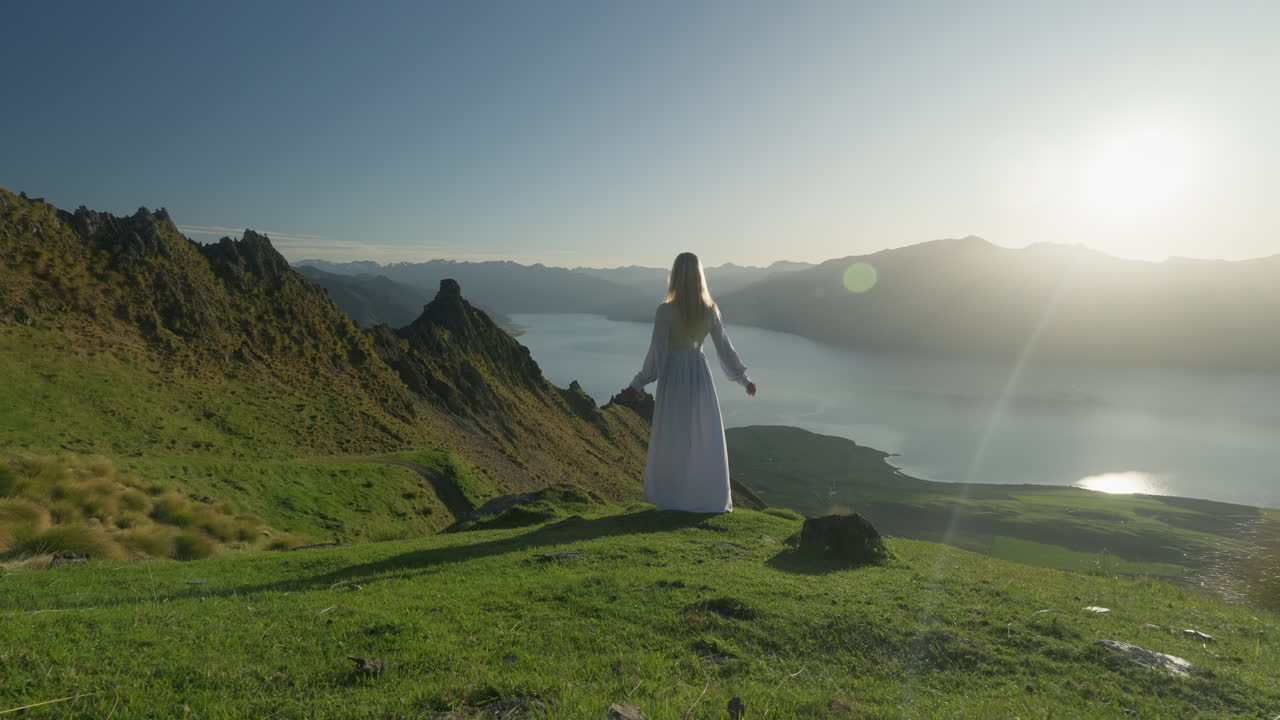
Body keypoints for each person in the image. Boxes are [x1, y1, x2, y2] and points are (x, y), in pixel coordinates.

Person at [620, 252, 757, 513]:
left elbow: (656, 354)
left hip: (673, 376)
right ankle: (703, 498)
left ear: (675, 276)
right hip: (699, 375)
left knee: (674, 434)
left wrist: (637, 384)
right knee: (701, 434)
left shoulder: (665, 311)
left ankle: (673, 497)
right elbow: (725, 349)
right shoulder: (710, 309)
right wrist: (744, 379)